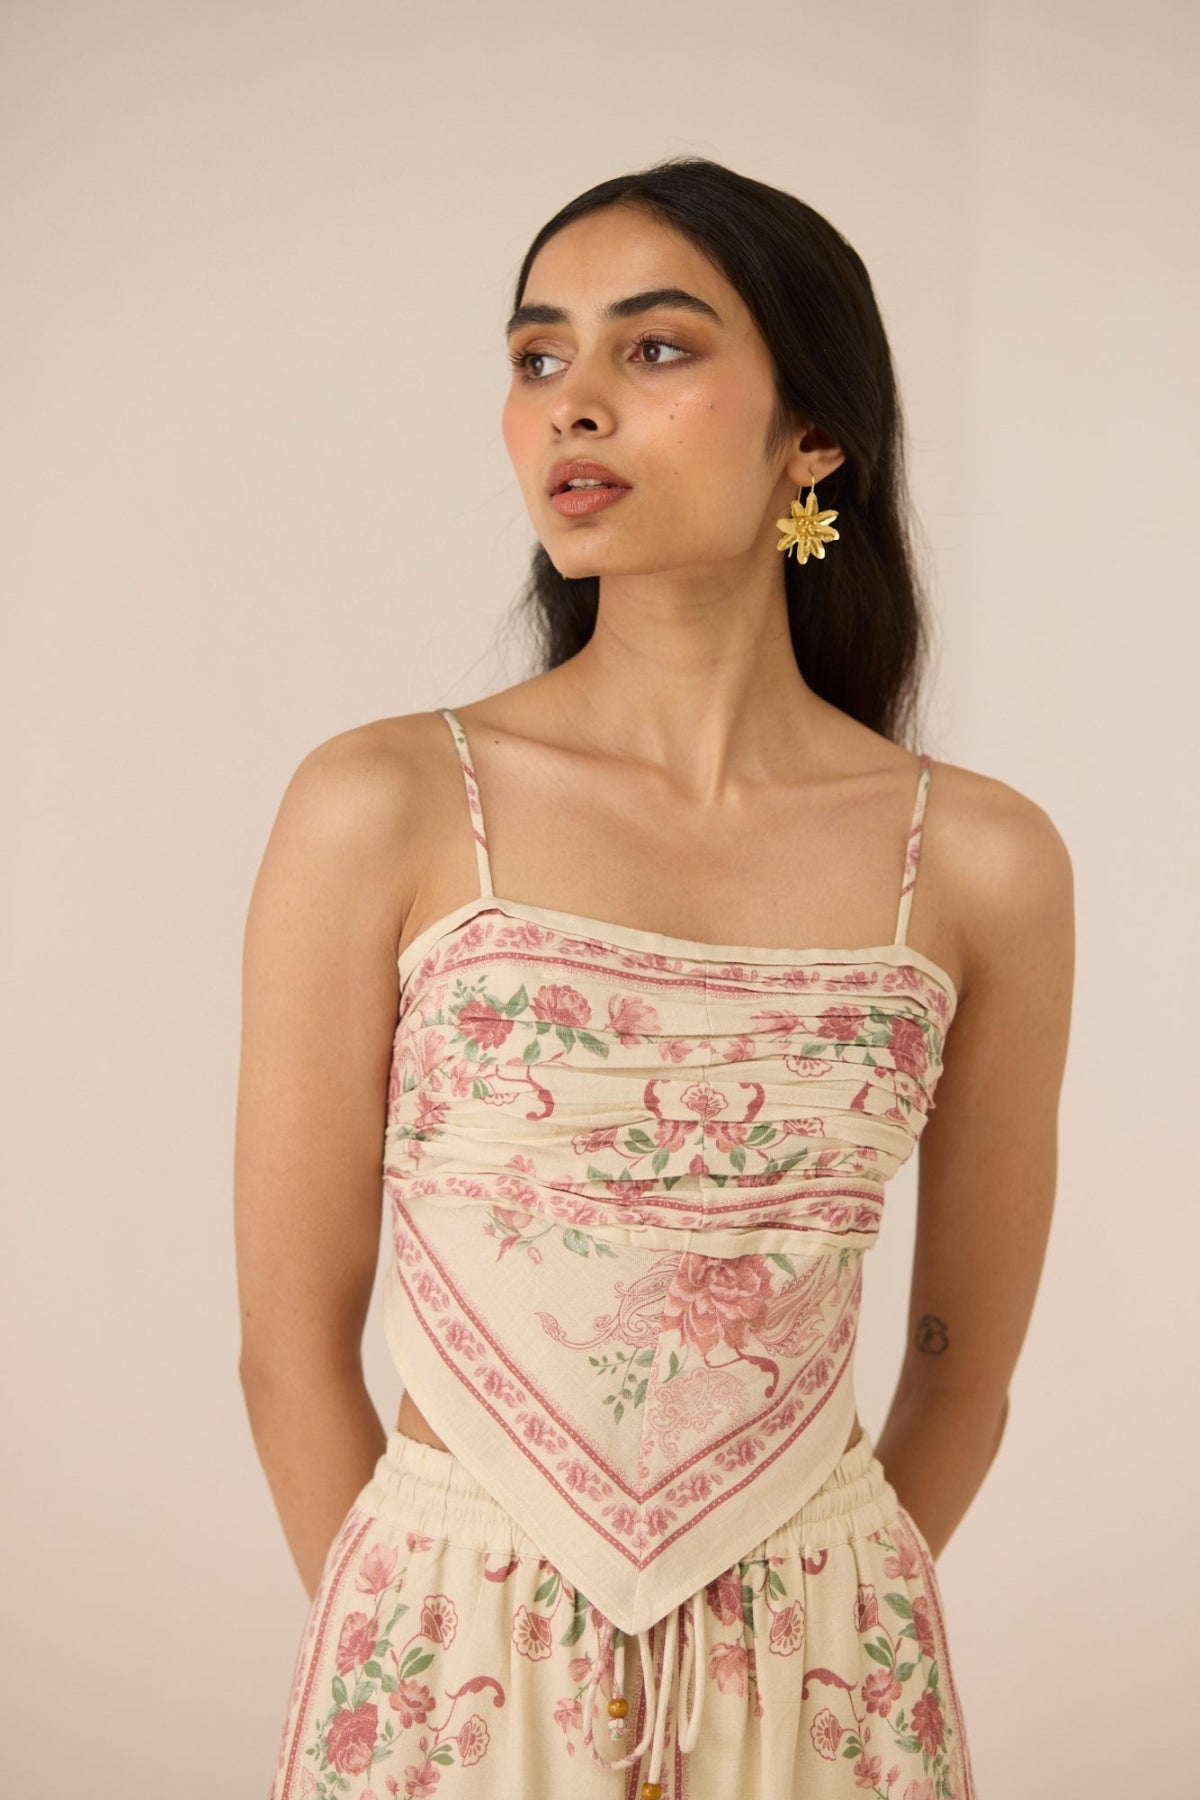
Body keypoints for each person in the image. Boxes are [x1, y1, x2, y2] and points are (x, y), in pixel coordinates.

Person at [236, 156, 1073, 1800]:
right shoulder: (387, 804)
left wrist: (828, 1621)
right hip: (444, 1663)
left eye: (657, 349)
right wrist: (421, 1644)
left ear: (814, 434)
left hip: (826, 1664)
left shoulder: (977, 860)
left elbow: (964, 1360)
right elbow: (288, 1346)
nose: (574, 407)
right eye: (539, 358)